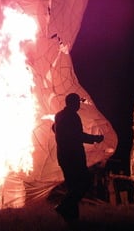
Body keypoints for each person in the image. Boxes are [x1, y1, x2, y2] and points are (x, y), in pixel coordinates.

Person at [53, 93, 104, 222]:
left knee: (72, 186)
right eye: (77, 102)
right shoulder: (72, 117)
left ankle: (71, 218)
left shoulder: (58, 115)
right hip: (74, 157)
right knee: (84, 182)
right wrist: (95, 139)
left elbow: (54, 128)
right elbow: (78, 136)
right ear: (72, 103)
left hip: (63, 156)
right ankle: (63, 206)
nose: (78, 105)